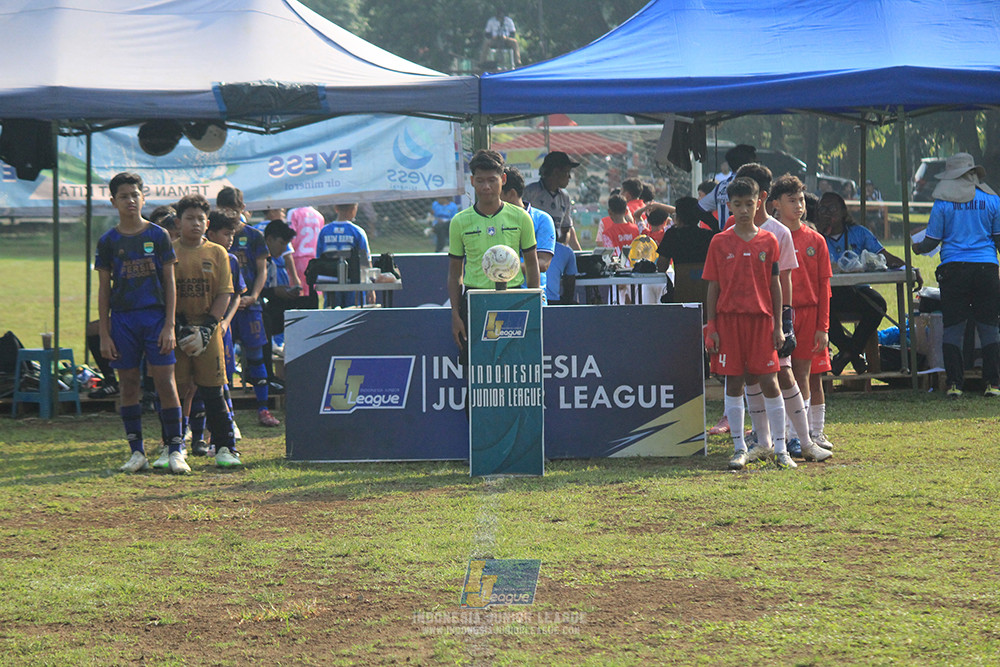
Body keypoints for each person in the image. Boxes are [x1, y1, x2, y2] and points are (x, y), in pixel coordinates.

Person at [95, 172, 184, 474]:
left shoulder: (158, 235)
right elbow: (104, 290)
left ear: (143, 197)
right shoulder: (108, 241)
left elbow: (170, 284)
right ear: (113, 201)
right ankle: (137, 452)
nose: (130, 200)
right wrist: (105, 334)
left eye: (135, 194)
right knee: (129, 384)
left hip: (155, 318)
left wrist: (169, 325)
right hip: (123, 321)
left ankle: (175, 449)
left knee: (165, 383)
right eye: (123, 196)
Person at [703, 176, 792, 469]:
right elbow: (712, 287)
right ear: (728, 206)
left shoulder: (769, 240)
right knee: (734, 382)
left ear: (759, 203)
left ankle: (781, 449)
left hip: (761, 322)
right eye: (737, 204)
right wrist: (711, 326)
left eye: (749, 204)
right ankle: (740, 447)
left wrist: (779, 325)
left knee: (770, 381)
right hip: (729, 323)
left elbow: (775, 285)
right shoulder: (718, 242)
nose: (743, 210)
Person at [913, 152, 1000, 398]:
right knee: (989, 326)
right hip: (986, 269)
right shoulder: (992, 200)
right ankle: (993, 383)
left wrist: (916, 248)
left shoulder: (943, 203)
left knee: (953, 327)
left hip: (953, 270)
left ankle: (954, 384)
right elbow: (999, 240)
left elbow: (931, 241)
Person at [164, 194, 240, 469]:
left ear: (207, 223)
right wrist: (180, 326)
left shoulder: (217, 253)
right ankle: (172, 446)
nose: (195, 224)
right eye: (189, 218)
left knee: (213, 390)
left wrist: (209, 328)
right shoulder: (169, 251)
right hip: (178, 331)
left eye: (200, 219)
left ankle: (224, 446)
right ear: (178, 222)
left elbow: (224, 294)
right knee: (177, 389)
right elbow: (165, 294)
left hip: (209, 330)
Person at [448, 150, 539, 364]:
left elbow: (533, 265)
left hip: (512, 300)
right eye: (480, 181)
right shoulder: (460, 221)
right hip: (474, 301)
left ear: (503, 180)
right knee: (477, 372)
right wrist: (455, 313)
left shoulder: (521, 218)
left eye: (492, 180)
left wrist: (533, 303)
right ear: (472, 181)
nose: (486, 186)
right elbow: (454, 274)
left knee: (513, 367)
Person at [771, 174, 836, 456]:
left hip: (808, 315)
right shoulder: (770, 236)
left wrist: (823, 326)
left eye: (801, 200)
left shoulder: (816, 240)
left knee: (807, 375)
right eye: (791, 200)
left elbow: (824, 288)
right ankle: (782, 434)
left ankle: (809, 432)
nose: (799, 206)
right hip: (779, 314)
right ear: (775, 204)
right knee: (778, 375)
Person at [817, 191, 904, 375]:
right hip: (830, 293)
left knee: (878, 304)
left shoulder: (859, 233)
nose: (827, 213)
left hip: (857, 290)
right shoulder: (816, 238)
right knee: (820, 312)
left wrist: (910, 270)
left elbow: (885, 257)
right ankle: (853, 354)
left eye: (832, 208)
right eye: (823, 209)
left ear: (842, 211)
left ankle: (848, 353)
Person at [218, 186, 281, 427]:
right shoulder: (215, 236)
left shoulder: (253, 235)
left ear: (243, 209)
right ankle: (227, 416)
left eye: (234, 209)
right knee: (224, 361)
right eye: (225, 210)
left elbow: (262, 269)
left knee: (256, 358)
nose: (231, 214)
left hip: (249, 306)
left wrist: (254, 296)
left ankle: (263, 410)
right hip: (225, 307)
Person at [204, 208, 246, 453]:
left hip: (221, 329)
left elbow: (236, 295)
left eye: (233, 234)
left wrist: (226, 321)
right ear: (210, 231)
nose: (230, 239)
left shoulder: (231, 260)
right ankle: (193, 433)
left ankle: (222, 430)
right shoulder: (196, 255)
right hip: (200, 327)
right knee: (197, 383)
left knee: (222, 378)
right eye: (226, 233)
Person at [501, 166, 556, 303]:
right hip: (501, 296)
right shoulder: (492, 220)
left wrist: (504, 269)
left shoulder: (542, 219)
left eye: (498, 193)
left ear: (511, 194)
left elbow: (543, 264)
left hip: (532, 298)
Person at [315, 203, 375, 308]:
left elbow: (319, 260)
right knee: (352, 314)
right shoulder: (358, 232)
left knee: (331, 315)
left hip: (330, 282)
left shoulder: (324, 231)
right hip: (353, 282)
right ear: (354, 209)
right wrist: (370, 287)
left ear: (335, 208)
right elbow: (365, 262)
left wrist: (322, 283)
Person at [523, 151, 582, 251]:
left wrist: (559, 247)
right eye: (567, 172)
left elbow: (566, 228)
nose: (569, 177)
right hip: (534, 250)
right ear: (555, 172)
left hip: (555, 250)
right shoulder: (530, 193)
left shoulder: (565, 196)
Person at [699, 144, 756, 225]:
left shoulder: (721, 186)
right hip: (749, 235)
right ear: (750, 163)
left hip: (725, 235)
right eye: (756, 162)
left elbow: (700, 208)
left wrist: (717, 228)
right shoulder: (753, 186)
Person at [286, 206, 325, 294]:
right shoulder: (319, 215)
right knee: (312, 294)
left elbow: (291, 238)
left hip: (297, 259)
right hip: (314, 260)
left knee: (297, 294)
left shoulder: (293, 212)